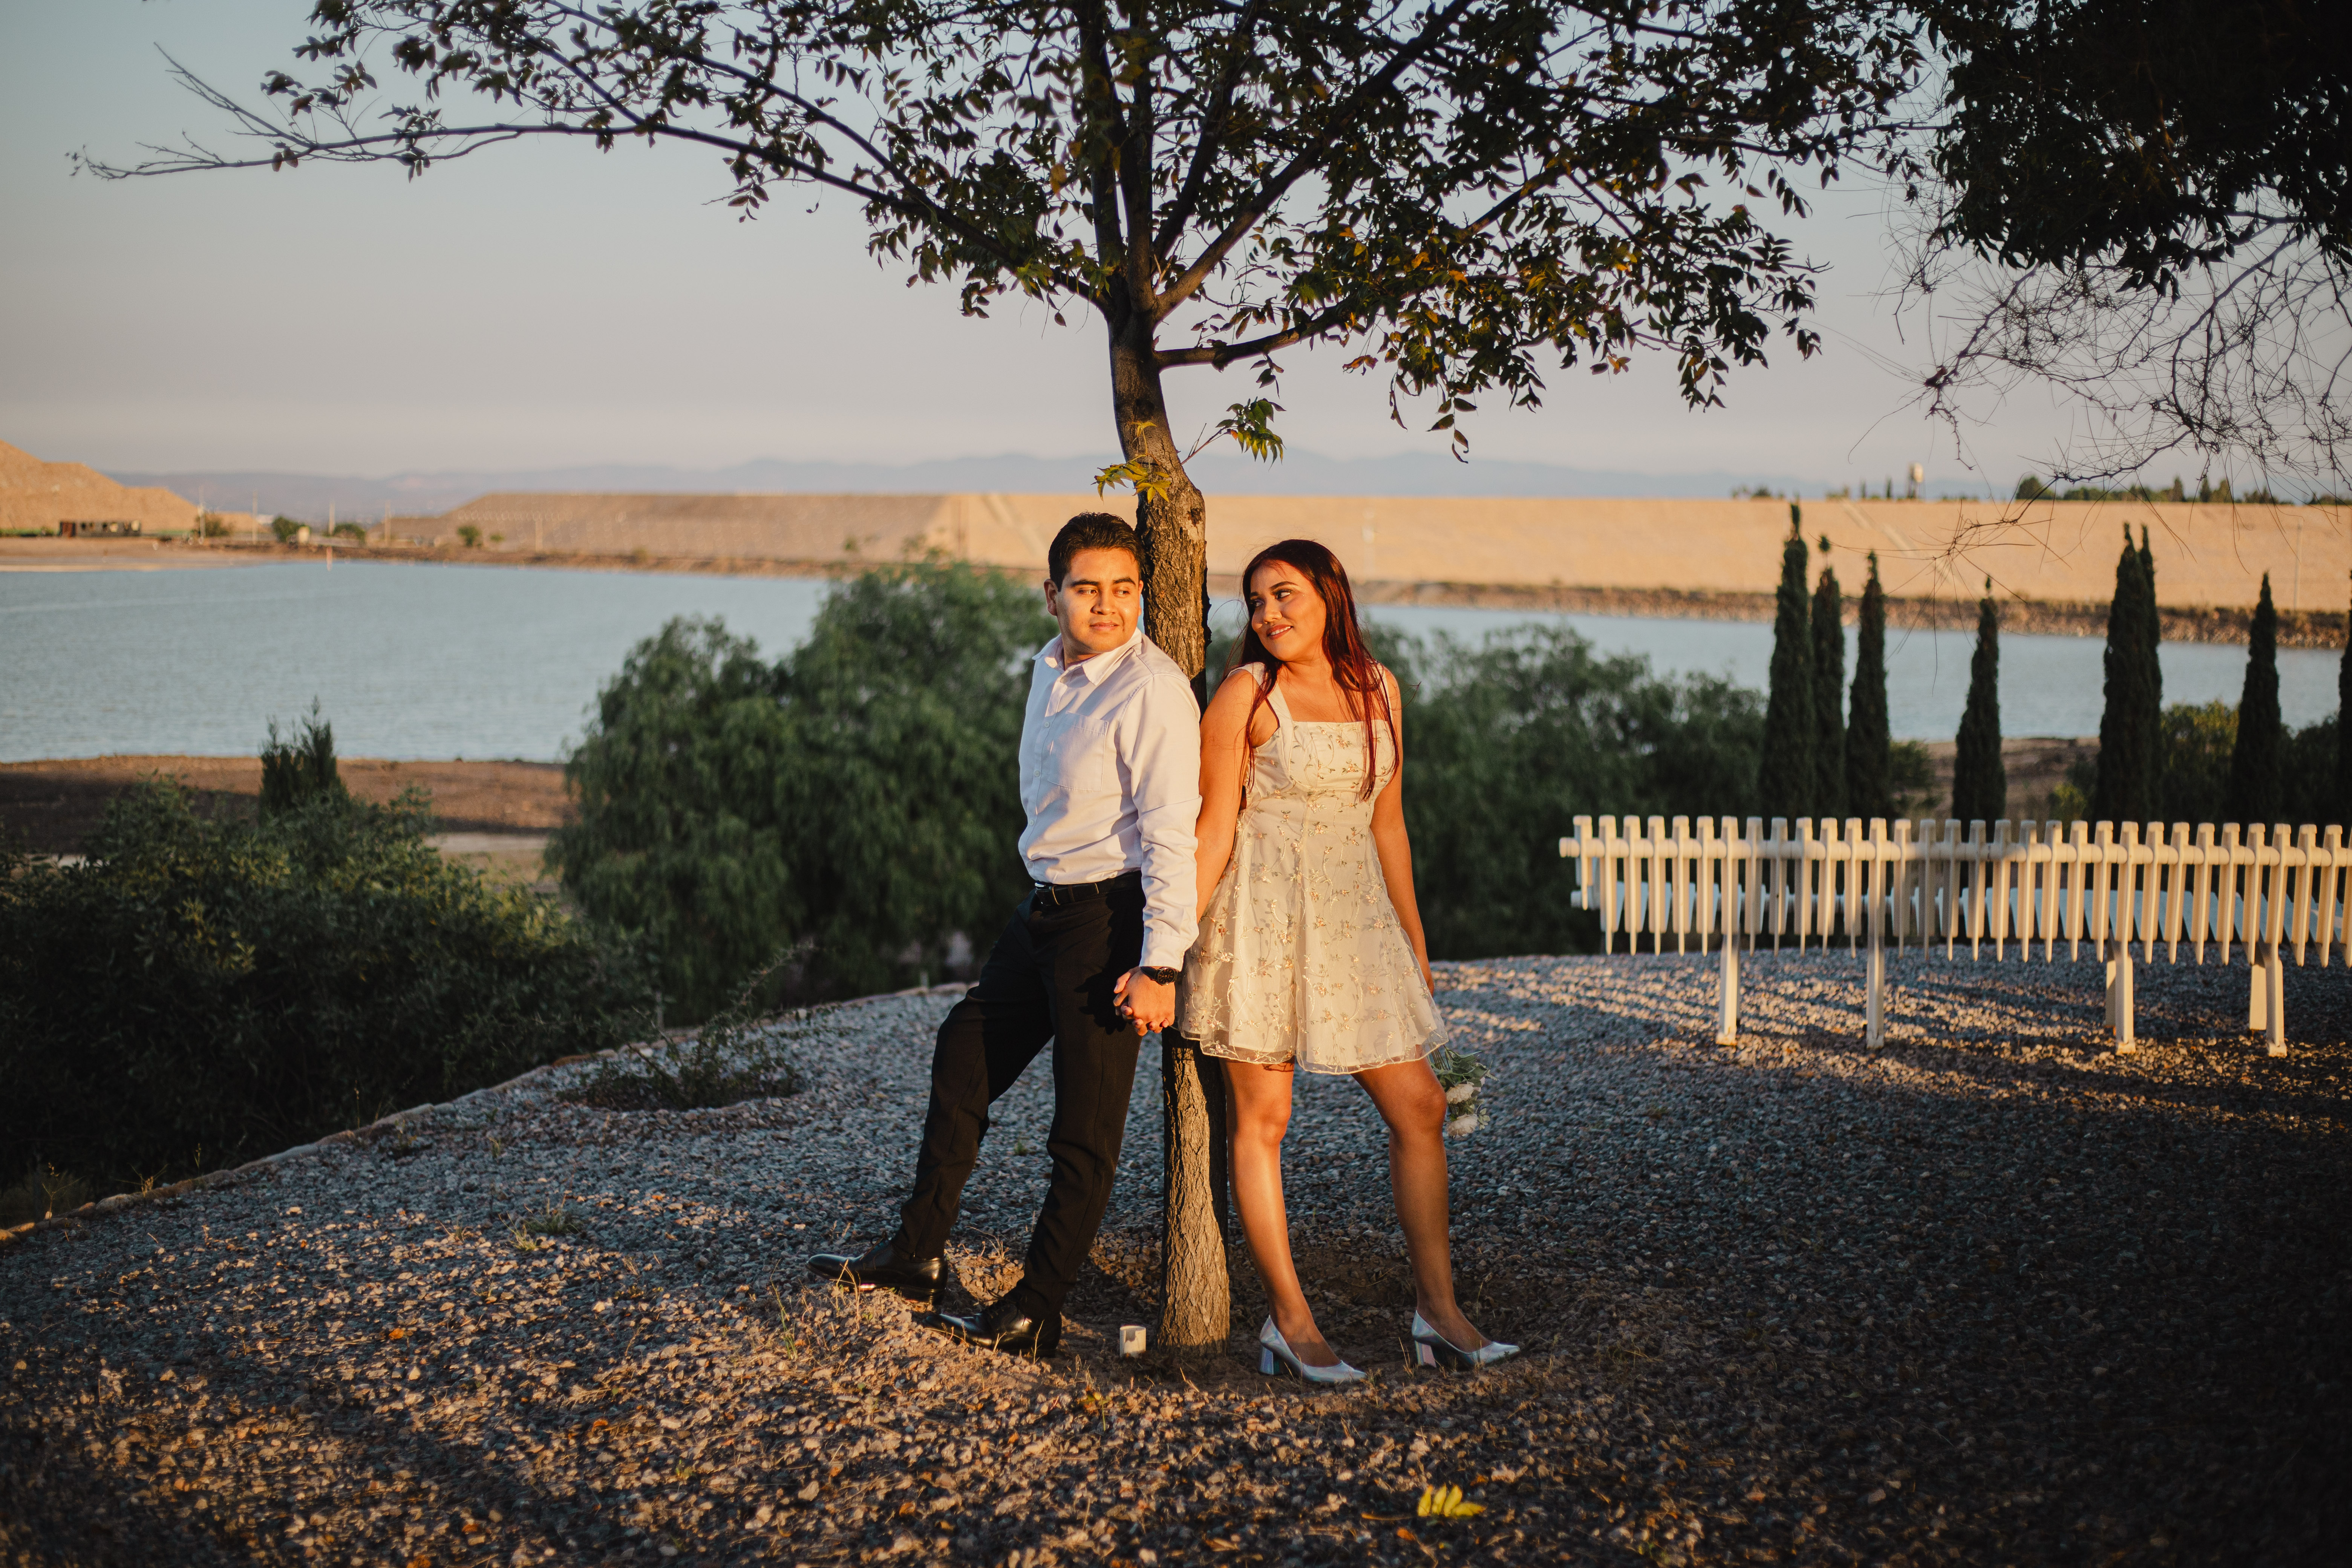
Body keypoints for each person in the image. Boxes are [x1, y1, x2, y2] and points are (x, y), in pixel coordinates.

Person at [807, 513, 1200, 1356]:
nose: (1108, 606)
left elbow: (1174, 830)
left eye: (1124, 590)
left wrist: (1160, 963)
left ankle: (1037, 1309)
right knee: (965, 1047)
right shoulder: (1050, 669)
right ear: (1052, 594)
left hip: (1112, 921)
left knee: (1084, 1130)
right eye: (1088, 589)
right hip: (1047, 909)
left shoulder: (1151, 689)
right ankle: (918, 1252)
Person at [1181, 539, 1514, 1384]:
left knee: (1423, 1107)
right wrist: (1161, 948)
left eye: (1285, 595)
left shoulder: (1379, 687)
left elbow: (1389, 824)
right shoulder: (1243, 694)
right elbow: (1213, 830)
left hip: (1357, 929)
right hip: (1259, 923)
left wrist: (1415, 943)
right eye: (1256, 602)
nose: (1268, 616)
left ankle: (1438, 1314)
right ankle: (1291, 1324)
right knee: (1264, 1123)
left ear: (1331, 595)